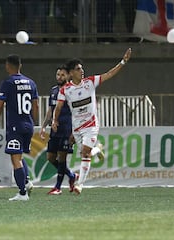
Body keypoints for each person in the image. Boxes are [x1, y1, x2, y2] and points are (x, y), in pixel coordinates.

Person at [51, 48, 132, 195]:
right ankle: (98, 149)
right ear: (70, 73)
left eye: (82, 68)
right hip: (77, 128)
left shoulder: (90, 82)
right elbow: (58, 106)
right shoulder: (65, 90)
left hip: (91, 125)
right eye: (78, 69)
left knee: (85, 153)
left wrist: (123, 62)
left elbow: (109, 74)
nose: (81, 71)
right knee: (85, 153)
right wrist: (55, 120)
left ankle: (79, 185)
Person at [0, 54, 38, 201]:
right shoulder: (31, 83)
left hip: (15, 126)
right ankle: (27, 181)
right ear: (20, 66)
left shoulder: (8, 83)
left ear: (8, 66)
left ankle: (22, 193)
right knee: (20, 155)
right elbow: (35, 105)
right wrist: (33, 122)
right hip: (28, 125)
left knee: (15, 159)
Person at [39, 65, 78, 195]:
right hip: (55, 130)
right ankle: (71, 175)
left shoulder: (72, 91)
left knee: (62, 158)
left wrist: (74, 130)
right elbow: (50, 110)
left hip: (67, 129)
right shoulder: (54, 90)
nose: (59, 77)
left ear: (68, 76)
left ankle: (58, 187)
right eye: (58, 75)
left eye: (62, 75)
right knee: (50, 158)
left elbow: (76, 112)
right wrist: (44, 126)